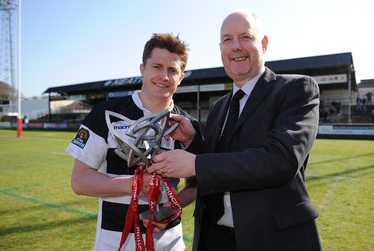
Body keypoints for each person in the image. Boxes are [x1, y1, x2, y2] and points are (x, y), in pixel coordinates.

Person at [148, 10, 322, 251]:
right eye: (228, 40)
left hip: (271, 240)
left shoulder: (296, 89)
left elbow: (281, 160)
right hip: (214, 239)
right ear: (221, 49)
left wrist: (195, 163)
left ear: (264, 44)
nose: (236, 47)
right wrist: (194, 140)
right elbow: (221, 160)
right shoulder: (220, 107)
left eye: (245, 37)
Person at [66, 33, 201, 251]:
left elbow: (196, 186)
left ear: (181, 77)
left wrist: (171, 207)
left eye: (172, 70)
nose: (164, 76)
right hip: (114, 243)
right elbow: (79, 181)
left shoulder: (188, 127)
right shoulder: (106, 113)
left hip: (171, 244)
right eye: (156, 66)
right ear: (142, 69)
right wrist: (134, 185)